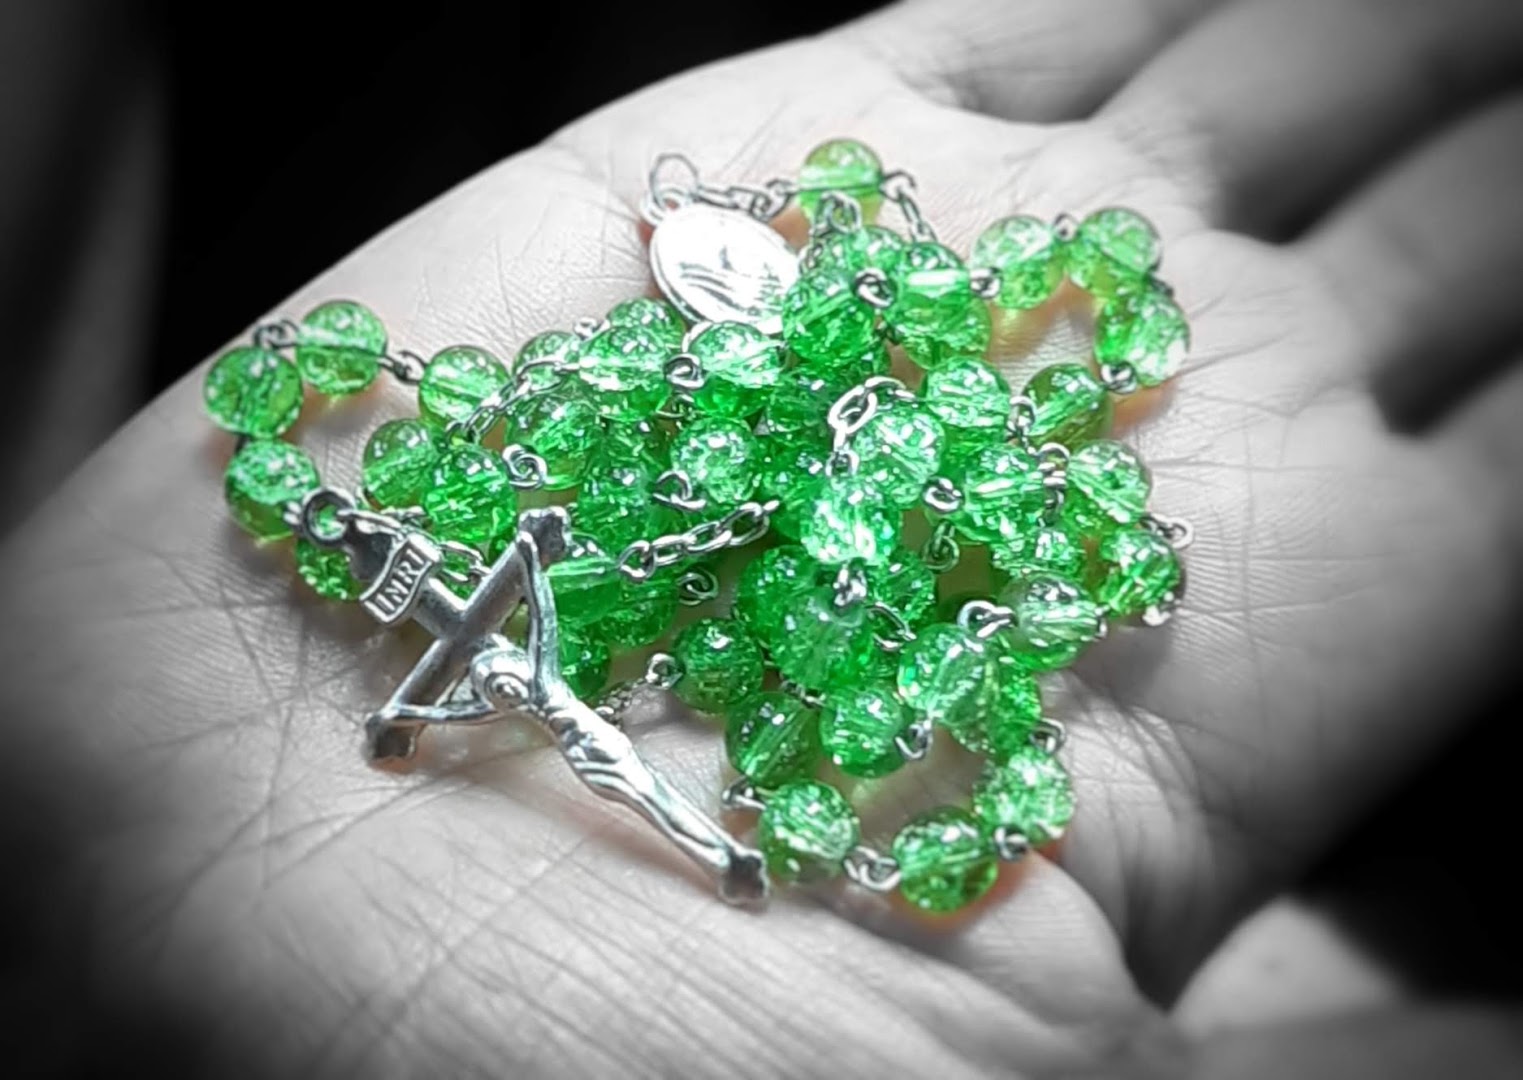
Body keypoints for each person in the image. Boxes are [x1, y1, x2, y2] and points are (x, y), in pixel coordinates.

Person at [2, 0, 1521, 1074]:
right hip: (545, 637)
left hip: (590, 635)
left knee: (620, 748)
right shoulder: (581, 473)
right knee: (611, 746)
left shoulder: (883, 403)